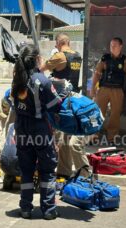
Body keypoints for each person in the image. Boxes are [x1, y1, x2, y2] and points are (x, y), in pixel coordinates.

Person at [12, 44, 62, 220]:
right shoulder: (43, 80)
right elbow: (56, 105)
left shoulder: (17, 79)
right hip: (39, 128)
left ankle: (25, 208)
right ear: (36, 59)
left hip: (21, 129)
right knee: (47, 169)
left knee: (26, 169)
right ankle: (48, 210)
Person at [40, 33, 90, 178]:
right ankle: (65, 172)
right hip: (74, 99)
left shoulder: (59, 56)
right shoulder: (77, 56)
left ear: (58, 43)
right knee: (67, 138)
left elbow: (42, 68)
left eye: (56, 44)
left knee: (62, 138)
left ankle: (65, 172)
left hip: (61, 101)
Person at [90, 37, 126, 144]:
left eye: (115, 45)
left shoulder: (125, 60)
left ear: (121, 46)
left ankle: (112, 137)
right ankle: (94, 135)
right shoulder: (104, 58)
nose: (112, 47)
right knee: (96, 112)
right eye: (111, 45)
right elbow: (97, 73)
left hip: (117, 90)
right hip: (103, 89)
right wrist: (92, 88)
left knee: (115, 114)